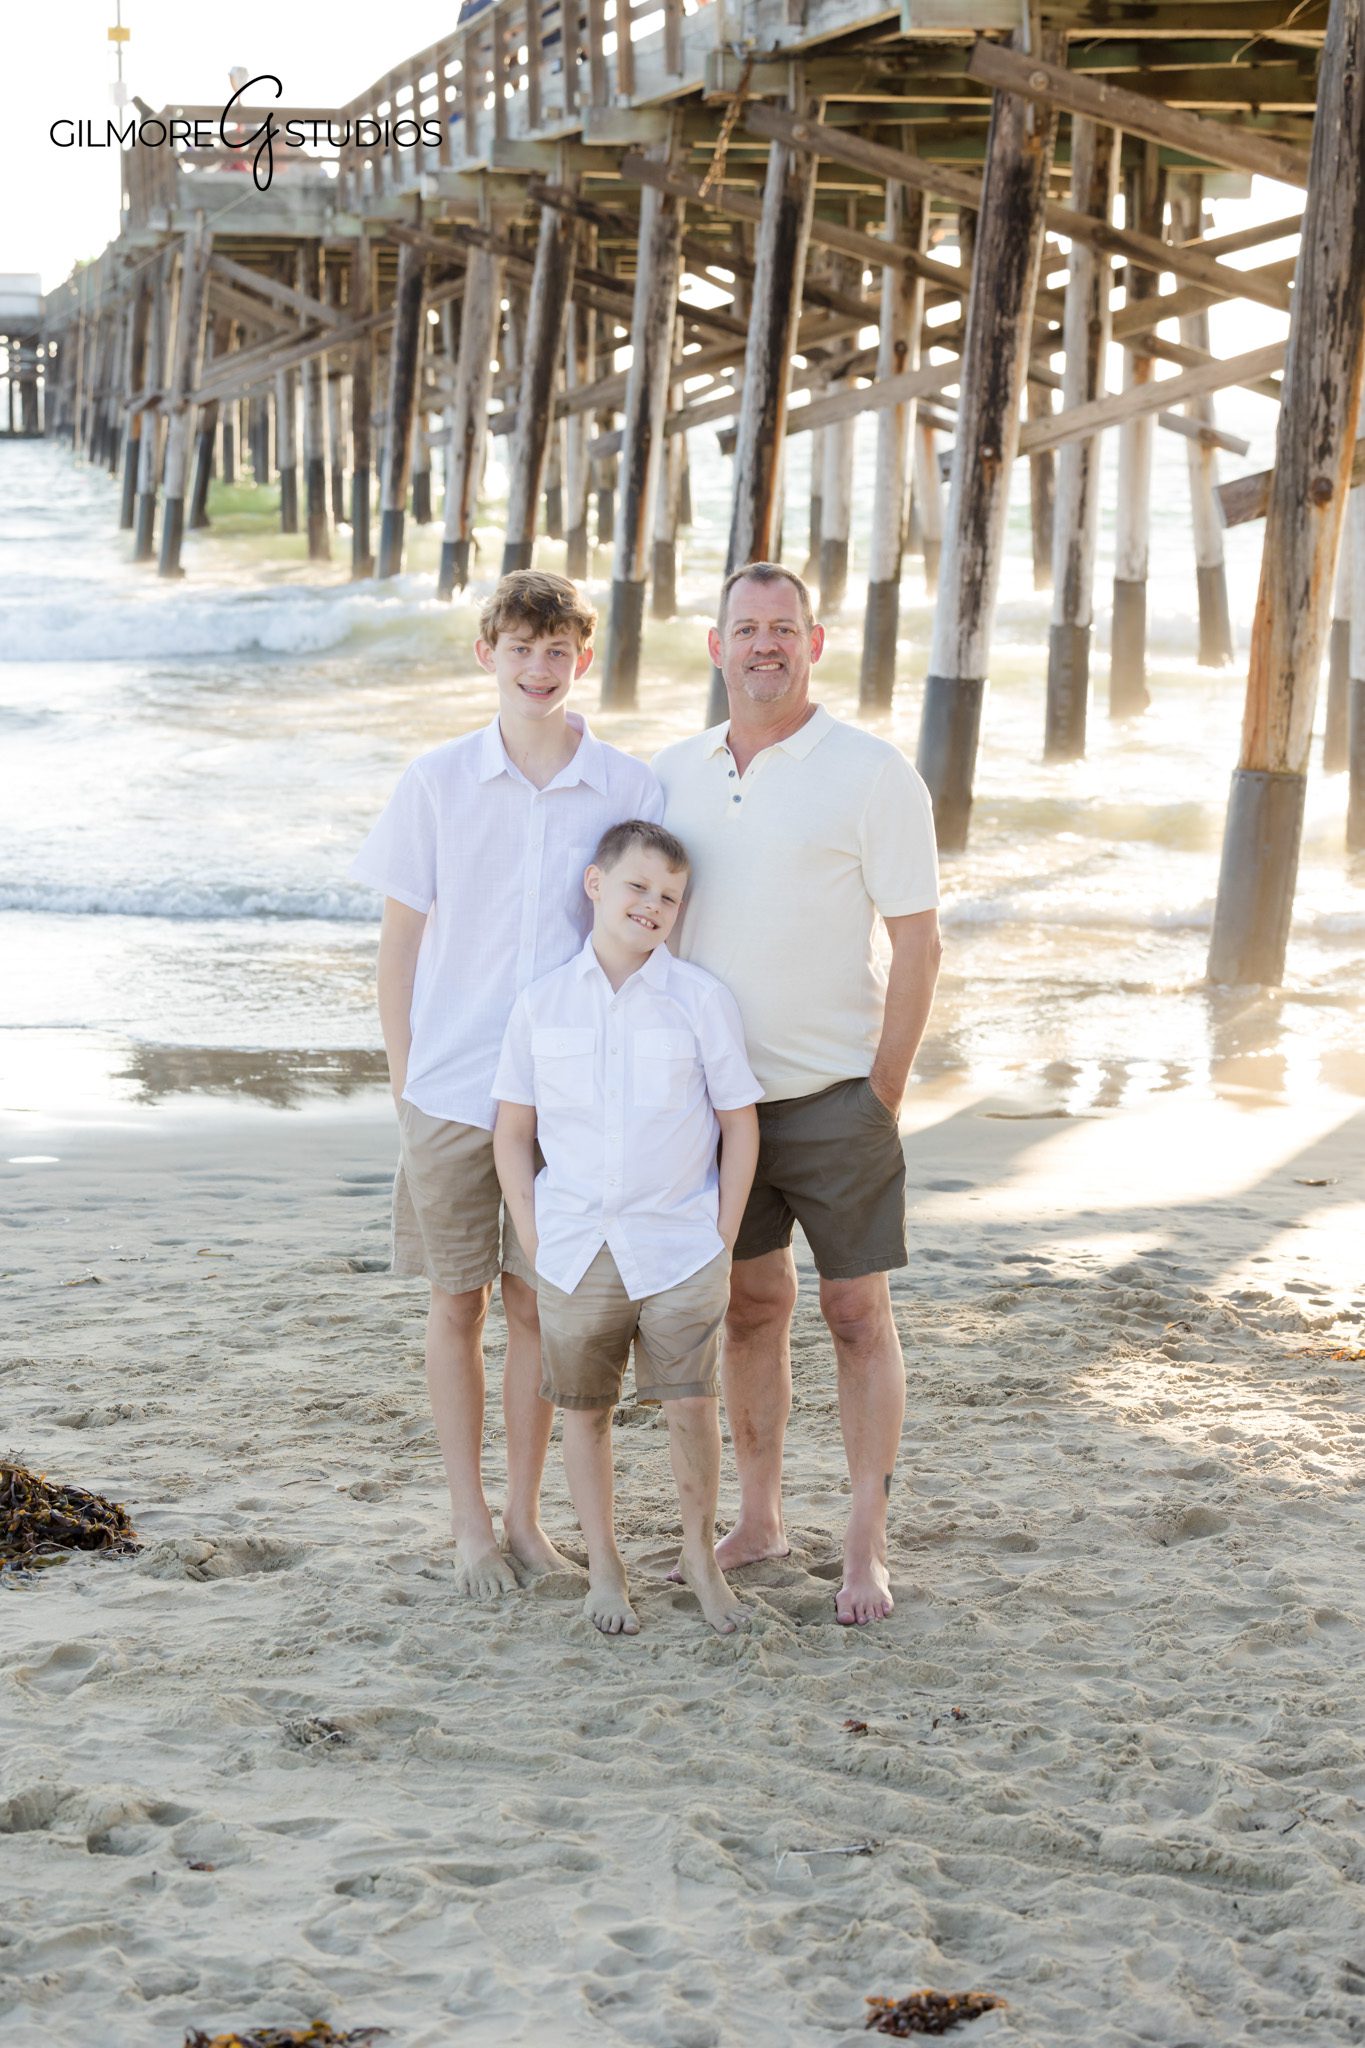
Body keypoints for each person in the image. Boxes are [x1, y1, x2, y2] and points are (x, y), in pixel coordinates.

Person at [349, 570, 663, 1598]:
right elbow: (400, 946)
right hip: (448, 1086)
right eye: (521, 649)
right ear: (488, 654)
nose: (539, 668)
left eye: (557, 650)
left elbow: (649, 940)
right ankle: (470, 1523)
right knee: (457, 1303)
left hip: (566, 1100)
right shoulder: (436, 781)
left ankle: (527, 1519)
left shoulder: (627, 787)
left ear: (583, 657)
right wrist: (405, 1080)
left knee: (538, 1306)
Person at [653, 563, 942, 1627]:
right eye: (746, 628)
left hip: (835, 1096)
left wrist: (883, 1091)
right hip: (713, 1104)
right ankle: (761, 1518)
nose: (764, 644)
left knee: (855, 1312)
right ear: (717, 645)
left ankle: (865, 1542)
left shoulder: (872, 773)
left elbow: (918, 942)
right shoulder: (674, 772)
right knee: (749, 1307)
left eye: (784, 627)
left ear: (814, 642)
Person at [492, 820, 762, 1637]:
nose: (651, 905)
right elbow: (512, 1131)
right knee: (584, 1411)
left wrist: (722, 1235)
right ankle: (605, 1570)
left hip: (680, 1244)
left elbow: (738, 1123)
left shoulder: (700, 1000)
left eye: (669, 897)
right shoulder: (541, 1004)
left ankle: (700, 1560)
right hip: (574, 1246)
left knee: (691, 1405)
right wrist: (533, 1235)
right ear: (595, 884)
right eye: (637, 886)